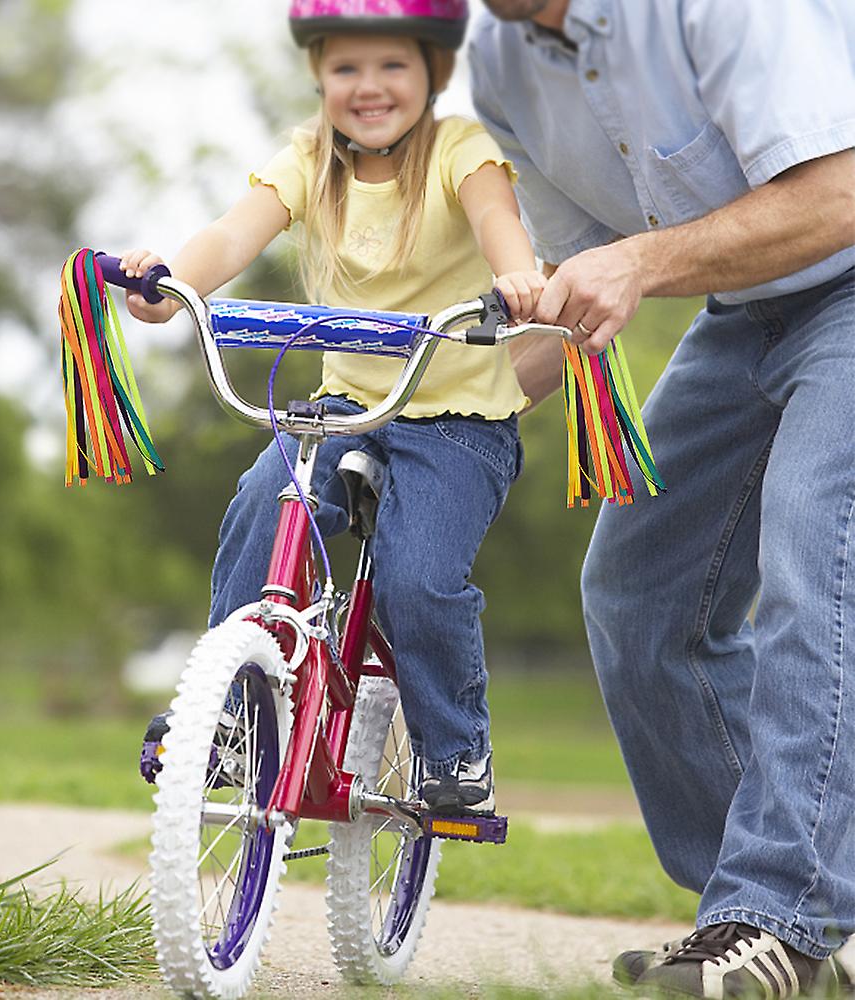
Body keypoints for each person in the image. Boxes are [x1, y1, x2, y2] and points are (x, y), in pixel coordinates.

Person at [470, 0, 855, 995]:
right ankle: (771, 912)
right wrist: (421, 415)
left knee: (814, 563)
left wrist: (639, 261)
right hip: (745, 309)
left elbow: (839, 192)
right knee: (640, 592)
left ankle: (782, 914)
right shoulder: (497, 64)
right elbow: (566, 290)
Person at [124, 0, 549, 816]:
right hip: (347, 405)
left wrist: (517, 276)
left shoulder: (460, 149)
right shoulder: (311, 158)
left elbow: (498, 217)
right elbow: (231, 236)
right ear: (319, 75)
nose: (369, 86)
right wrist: (171, 286)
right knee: (262, 507)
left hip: (458, 422)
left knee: (417, 579)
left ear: (436, 71)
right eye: (345, 67)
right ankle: (231, 723)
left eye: (393, 65)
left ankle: (456, 751)